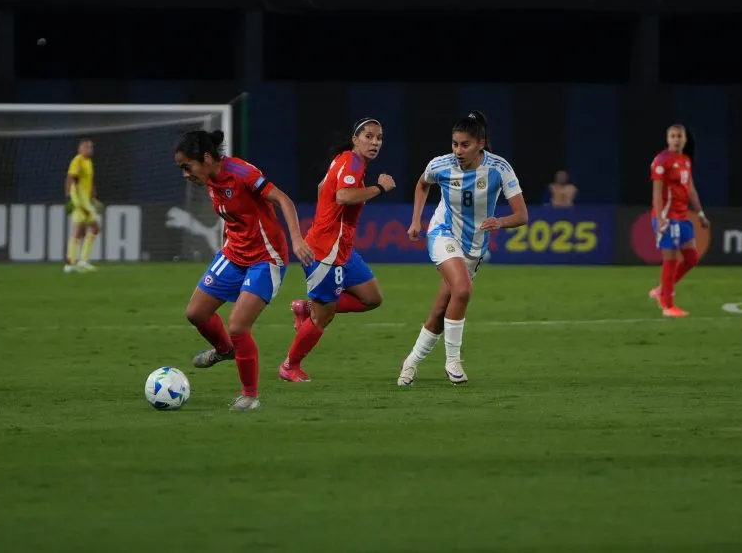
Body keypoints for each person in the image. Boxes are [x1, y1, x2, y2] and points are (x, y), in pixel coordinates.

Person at [174, 130, 314, 410]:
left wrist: (297, 239)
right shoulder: (211, 179)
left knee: (238, 325)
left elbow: (283, 200)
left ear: (205, 158)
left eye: (187, 167)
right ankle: (224, 350)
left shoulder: (241, 172)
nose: (185, 174)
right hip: (234, 254)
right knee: (196, 313)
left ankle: (250, 396)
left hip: (265, 258)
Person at [398, 111, 528, 386]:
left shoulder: (499, 169)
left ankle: (410, 363)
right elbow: (422, 184)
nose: (458, 150)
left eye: (464, 144)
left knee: (440, 311)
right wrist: (415, 220)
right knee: (463, 290)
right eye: (455, 144)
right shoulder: (441, 165)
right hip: (443, 233)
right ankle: (453, 361)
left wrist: (500, 221)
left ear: (480, 143)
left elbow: (522, 215)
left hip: (474, 247)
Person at [279, 118, 396, 382]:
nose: (375, 142)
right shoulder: (352, 162)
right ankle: (290, 366)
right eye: (368, 136)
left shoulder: (346, 160)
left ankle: (308, 307)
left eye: (379, 137)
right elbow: (343, 196)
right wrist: (380, 188)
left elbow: (324, 187)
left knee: (372, 298)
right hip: (325, 252)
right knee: (323, 318)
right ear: (355, 139)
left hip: (342, 248)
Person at [647, 124, 710, 317]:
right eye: (672, 136)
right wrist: (660, 220)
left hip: (682, 217)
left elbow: (690, 189)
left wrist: (700, 213)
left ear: (685, 139)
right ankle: (668, 306)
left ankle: (661, 290)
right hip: (667, 218)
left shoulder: (685, 160)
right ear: (667, 140)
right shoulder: (661, 160)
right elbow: (657, 192)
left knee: (691, 258)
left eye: (679, 136)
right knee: (670, 259)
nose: (676, 139)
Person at [65, 139, 102, 273]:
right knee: (83, 229)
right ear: (80, 148)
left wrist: (93, 198)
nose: (90, 149)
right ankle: (71, 262)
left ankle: (79, 261)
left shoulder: (88, 162)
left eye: (91, 147)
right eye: (87, 147)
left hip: (86, 200)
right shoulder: (78, 161)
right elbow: (71, 178)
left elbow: (89, 182)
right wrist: (70, 197)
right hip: (80, 200)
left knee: (91, 229)